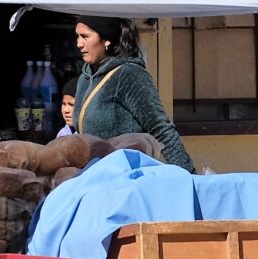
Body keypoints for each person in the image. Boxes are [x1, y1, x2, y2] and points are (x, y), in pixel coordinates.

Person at [71, 15, 193, 169]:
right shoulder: (85, 78)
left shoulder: (129, 74)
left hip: (126, 177)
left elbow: (160, 128)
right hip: (95, 175)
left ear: (106, 40)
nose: (79, 44)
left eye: (85, 37)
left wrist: (188, 176)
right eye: (77, 36)